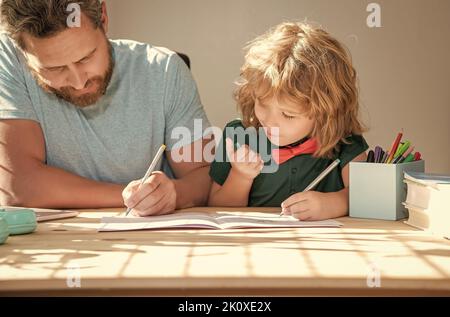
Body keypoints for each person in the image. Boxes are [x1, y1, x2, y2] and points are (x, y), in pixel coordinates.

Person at [0, 0, 212, 216]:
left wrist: (174, 193)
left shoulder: (165, 69)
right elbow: (18, 187)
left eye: (86, 58)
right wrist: (130, 197)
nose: (78, 82)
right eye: (54, 68)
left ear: (103, 17)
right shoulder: (8, 58)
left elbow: (204, 176)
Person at [208, 22, 368, 220]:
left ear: (327, 112)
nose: (270, 121)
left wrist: (333, 203)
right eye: (262, 103)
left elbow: (366, 197)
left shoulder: (346, 142)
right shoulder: (239, 137)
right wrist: (240, 177)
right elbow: (216, 209)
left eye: (288, 115)